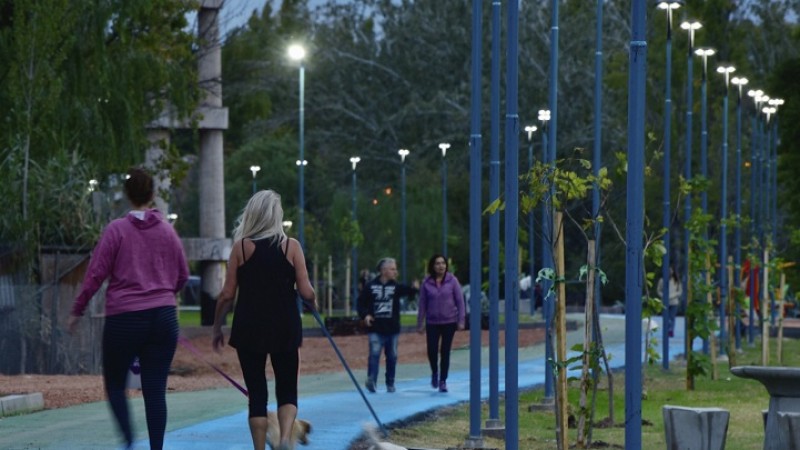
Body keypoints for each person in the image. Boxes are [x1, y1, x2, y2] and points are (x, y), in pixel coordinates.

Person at [68, 167, 189, 450]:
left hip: (125, 317)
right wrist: (164, 295)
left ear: (127, 195)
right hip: (163, 317)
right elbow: (183, 274)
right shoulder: (168, 232)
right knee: (155, 389)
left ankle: (129, 440)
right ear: (153, 194)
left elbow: (95, 274)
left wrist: (78, 309)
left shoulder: (116, 231)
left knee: (114, 384)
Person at [212, 190, 316, 450]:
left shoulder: (242, 248)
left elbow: (226, 294)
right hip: (285, 326)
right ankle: (284, 440)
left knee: (256, 394)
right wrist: (312, 302)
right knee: (287, 388)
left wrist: (217, 327)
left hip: (249, 326)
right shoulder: (291, 246)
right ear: (276, 216)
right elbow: (306, 292)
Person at [357, 257, 417, 393]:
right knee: (374, 354)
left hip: (392, 329)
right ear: (383, 270)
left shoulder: (396, 287)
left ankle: (390, 382)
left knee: (392, 356)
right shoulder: (370, 286)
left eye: (395, 269)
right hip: (375, 328)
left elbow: (409, 292)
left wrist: (414, 288)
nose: (395, 272)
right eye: (392, 269)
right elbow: (360, 303)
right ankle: (371, 379)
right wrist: (365, 315)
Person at [416, 254, 465, 393]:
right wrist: (420, 323)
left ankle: (443, 380)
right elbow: (422, 304)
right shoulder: (426, 283)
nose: (441, 266)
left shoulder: (452, 281)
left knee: (445, 351)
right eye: (437, 263)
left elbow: (460, 301)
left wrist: (461, 320)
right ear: (433, 266)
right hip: (432, 322)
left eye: (443, 263)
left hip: (449, 321)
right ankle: (434, 373)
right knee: (432, 350)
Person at [657, 266, 683, 338]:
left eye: (671, 270)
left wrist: (674, 295)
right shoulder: (662, 280)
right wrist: (663, 296)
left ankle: (671, 330)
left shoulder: (676, 281)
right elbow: (658, 290)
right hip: (665, 302)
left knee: (672, 317)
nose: (669, 272)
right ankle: (667, 329)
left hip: (674, 302)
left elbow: (680, 291)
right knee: (666, 317)